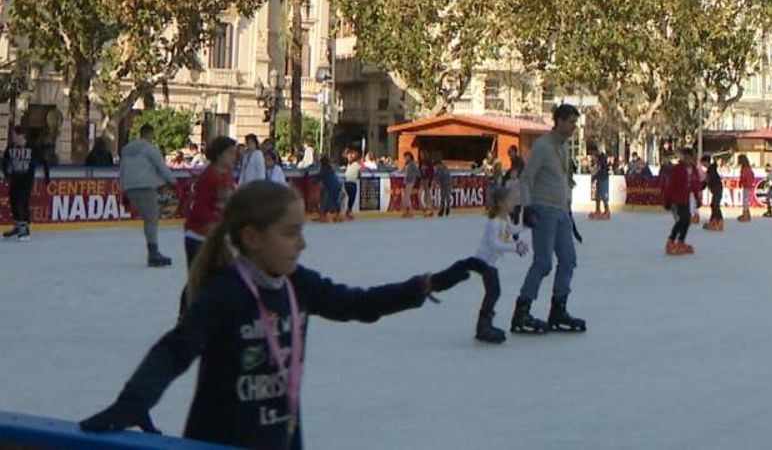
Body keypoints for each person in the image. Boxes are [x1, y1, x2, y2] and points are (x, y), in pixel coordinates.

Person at [79, 181, 475, 445]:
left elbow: (357, 303)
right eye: (290, 233)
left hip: (283, 437)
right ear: (251, 237)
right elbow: (175, 349)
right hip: (220, 439)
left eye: (302, 230)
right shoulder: (227, 292)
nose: (302, 244)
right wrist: (133, 401)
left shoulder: (296, 283)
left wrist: (424, 285)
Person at [510, 104, 585, 335]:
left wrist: (568, 208)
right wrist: (527, 207)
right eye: (571, 122)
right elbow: (526, 179)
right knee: (543, 263)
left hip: (561, 211)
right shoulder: (542, 146)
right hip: (543, 210)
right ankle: (522, 311)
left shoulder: (563, 148)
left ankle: (558, 309)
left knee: (569, 260)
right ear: (559, 121)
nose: (574, 127)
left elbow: (561, 180)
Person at [464, 185, 528, 343]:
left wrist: (527, 225)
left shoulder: (504, 219)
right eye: (510, 200)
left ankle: (485, 323)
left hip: (490, 263)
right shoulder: (493, 222)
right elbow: (495, 245)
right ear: (501, 203)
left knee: (494, 292)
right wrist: (516, 247)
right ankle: (483, 325)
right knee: (493, 292)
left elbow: (512, 230)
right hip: (483, 262)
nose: (514, 203)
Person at [119, 124, 179, 267]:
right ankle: (153, 253)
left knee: (149, 218)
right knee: (151, 219)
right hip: (146, 186)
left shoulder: (126, 151)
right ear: (150, 134)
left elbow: (122, 170)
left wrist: (123, 189)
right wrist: (174, 182)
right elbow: (162, 167)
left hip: (130, 187)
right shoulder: (151, 150)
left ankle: (153, 251)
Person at [182, 136, 239, 285]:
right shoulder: (209, 177)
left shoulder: (227, 176)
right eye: (230, 153)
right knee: (198, 283)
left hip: (217, 237)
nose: (235, 157)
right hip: (198, 237)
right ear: (219, 155)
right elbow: (200, 210)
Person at [2, 127, 49, 242]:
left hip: (26, 180)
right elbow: (4, 161)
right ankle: (17, 226)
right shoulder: (10, 148)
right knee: (13, 201)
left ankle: (25, 228)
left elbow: (44, 162)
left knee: (23, 202)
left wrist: (46, 177)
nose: (12, 137)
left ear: (21, 135)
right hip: (14, 179)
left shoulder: (32, 148)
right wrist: (7, 174)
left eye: (14, 135)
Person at [663, 146, 701, 254]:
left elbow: (695, 186)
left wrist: (698, 199)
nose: (688, 160)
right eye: (686, 157)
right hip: (676, 199)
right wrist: (668, 200)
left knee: (687, 220)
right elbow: (671, 185)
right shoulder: (678, 169)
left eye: (690, 157)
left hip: (685, 199)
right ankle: (671, 240)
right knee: (682, 219)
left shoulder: (693, 170)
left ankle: (680, 241)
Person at [589, 145, 612, 220]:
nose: (592, 154)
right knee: (597, 195)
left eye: (593, 152)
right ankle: (598, 210)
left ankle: (607, 211)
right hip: (599, 178)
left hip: (603, 178)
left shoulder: (602, 157)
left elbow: (600, 168)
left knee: (603, 195)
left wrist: (595, 175)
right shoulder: (596, 157)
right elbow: (594, 168)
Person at [701, 155, 724, 231]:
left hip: (717, 189)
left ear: (706, 162)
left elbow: (707, 181)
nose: (703, 165)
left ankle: (719, 221)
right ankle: (713, 221)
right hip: (716, 190)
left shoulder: (710, 170)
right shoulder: (711, 169)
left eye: (703, 163)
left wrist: (701, 186)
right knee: (713, 205)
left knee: (715, 205)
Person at [342, 150, 362, 221]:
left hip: (346, 182)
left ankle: (348, 211)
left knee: (348, 198)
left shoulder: (349, 164)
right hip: (352, 183)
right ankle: (349, 211)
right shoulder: (358, 165)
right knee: (351, 198)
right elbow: (359, 176)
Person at [398, 152, 419, 218]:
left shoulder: (412, 164)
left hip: (411, 181)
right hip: (406, 181)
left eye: (406, 157)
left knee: (407, 196)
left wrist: (413, 177)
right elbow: (401, 170)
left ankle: (410, 211)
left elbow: (417, 172)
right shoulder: (406, 164)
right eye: (405, 157)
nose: (405, 158)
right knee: (406, 197)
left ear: (410, 157)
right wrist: (392, 173)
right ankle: (406, 211)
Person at [736, 154, 756, 222]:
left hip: (746, 186)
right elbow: (752, 176)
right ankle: (747, 214)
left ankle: (745, 215)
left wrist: (741, 183)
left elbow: (743, 177)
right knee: (746, 200)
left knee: (745, 201)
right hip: (749, 185)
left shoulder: (744, 168)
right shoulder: (748, 168)